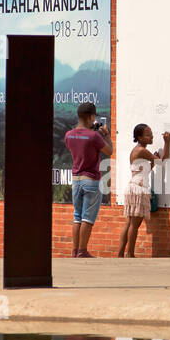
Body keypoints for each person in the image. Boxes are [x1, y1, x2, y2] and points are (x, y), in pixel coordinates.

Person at [64, 102, 112, 257]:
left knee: (77, 216)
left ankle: (75, 250)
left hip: (76, 178)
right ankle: (83, 251)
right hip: (91, 178)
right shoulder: (94, 136)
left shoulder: (68, 135)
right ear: (91, 116)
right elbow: (109, 151)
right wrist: (107, 135)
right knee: (88, 217)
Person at [117, 124, 170, 257]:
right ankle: (130, 254)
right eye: (148, 134)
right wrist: (167, 143)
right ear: (139, 137)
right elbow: (162, 161)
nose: (151, 136)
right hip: (138, 189)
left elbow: (146, 170)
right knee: (134, 224)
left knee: (129, 223)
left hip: (134, 187)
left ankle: (120, 254)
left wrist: (152, 161)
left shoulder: (141, 152)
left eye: (151, 133)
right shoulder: (141, 150)